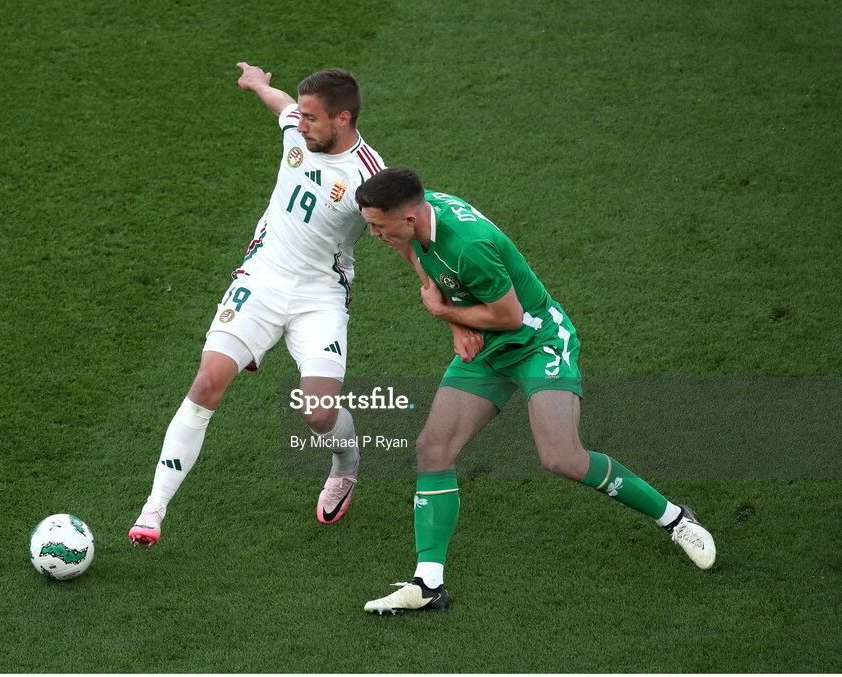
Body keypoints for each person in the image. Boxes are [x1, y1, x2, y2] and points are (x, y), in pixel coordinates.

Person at [354, 166, 716, 614]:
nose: (373, 234)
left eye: (377, 225)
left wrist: (445, 315)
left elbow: (509, 317)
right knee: (433, 447)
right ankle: (428, 585)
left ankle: (675, 518)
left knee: (562, 457)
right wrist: (448, 312)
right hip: (486, 346)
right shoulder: (419, 218)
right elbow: (416, 254)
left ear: (408, 217)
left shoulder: (470, 247)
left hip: (536, 341)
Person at [128, 64, 386, 547]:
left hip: (319, 298)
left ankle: (346, 463)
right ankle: (153, 510)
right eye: (300, 116)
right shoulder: (299, 130)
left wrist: (438, 288)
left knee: (317, 413)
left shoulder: (369, 175)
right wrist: (261, 86)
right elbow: (283, 105)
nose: (299, 123)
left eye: (311, 118)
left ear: (343, 119)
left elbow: (403, 229)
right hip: (260, 281)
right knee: (206, 382)